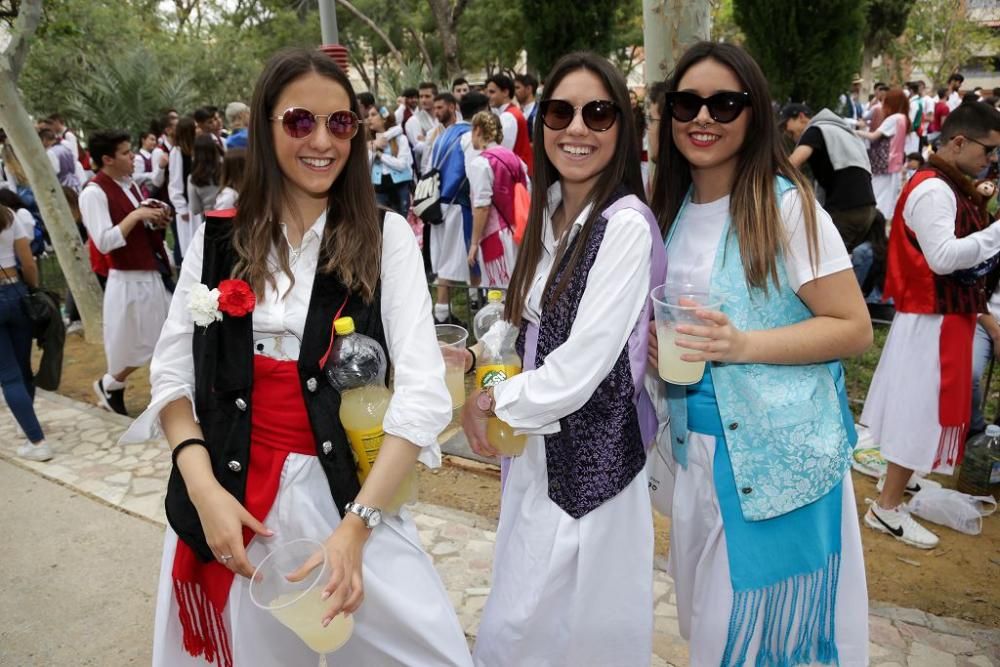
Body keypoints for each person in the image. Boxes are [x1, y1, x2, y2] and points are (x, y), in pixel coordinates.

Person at [121, 47, 472, 667]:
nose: (322, 141)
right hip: (231, 496)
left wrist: (357, 527)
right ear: (266, 126)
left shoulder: (385, 236)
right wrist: (205, 494)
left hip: (346, 494)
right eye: (299, 121)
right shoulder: (218, 237)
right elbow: (172, 377)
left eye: (340, 123)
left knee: (431, 653)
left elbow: (421, 391)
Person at [649, 41, 872, 664]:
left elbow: (854, 326)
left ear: (755, 114)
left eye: (725, 103)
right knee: (705, 626)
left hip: (779, 463)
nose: (703, 117)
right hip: (699, 457)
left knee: (747, 640)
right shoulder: (667, 209)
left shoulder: (787, 208)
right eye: (687, 103)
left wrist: (742, 343)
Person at [462, 51, 664, 667]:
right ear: (540, 121)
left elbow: (582, 368)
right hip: (538, 463)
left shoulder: (624, 225)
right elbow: (528, 321)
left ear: (621, 128)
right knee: (520, 625)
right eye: (560, 111)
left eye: (597, 113)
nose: (577, 128)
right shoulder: (548, 213)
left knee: (574, 637)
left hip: (594, 476)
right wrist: (475, 351)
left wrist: (493, 400)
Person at [861, 102, 1000, 549]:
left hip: (942, 319)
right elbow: (942, 257)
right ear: (959, 141)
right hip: (932, 322)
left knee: (921, 409)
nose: (990, 160)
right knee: (919, 412)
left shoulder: (947, 184)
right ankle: (887, 507)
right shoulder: (933, 190)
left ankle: (901, 485)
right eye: (987, 150)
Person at [81, 130, 173, 416]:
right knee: (141, 343)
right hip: (128, 278)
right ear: (107, 159)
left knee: (165, 339)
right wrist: (135, 216)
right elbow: (104, 241)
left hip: (151, 271)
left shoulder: (129, 184)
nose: (132, 156)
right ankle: (112, 383)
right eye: (124, 153)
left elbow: (138, 227)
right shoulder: (94, 193)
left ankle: (114, 386)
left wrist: (154, 216)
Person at [781, 103, 877, 252]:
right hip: (868, 209)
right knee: (847, 260)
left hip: (845, 210)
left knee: (826, 260)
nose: (787, 133)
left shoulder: (815, 130)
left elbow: (793, 164)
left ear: (801, 117)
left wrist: (767, 176)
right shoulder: (842, 131)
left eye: (787, 125)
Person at [0, 204, 52, 461]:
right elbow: (28, 263)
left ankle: (37, 441)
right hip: (16, 291)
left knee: (9, 377)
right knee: (22, 369)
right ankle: (26, 421)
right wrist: (32, 289)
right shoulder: (8, 215)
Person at [466, 111, 527, 287]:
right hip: (519, 229)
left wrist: (474, 243)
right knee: (520, 285)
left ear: (477, 130)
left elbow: (482, 206)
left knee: (500, 290)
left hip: (497, 234)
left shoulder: (481, 164)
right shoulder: (515, 158)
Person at [857, 87, 909, 220]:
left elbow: (874, 136)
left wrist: (855, 132)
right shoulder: (903, 118)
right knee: (889, 197)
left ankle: (874, 223)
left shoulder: (893, 119)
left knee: (877, 194)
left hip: (883, 162)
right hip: (895, 162)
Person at [366, 106, 413, 217]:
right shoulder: (369, 140)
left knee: (402, 222)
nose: (369, 119)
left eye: (373, 115)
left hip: (400, 186)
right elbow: (365, 165)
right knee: (381, 223)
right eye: (368, 115)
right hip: (378, 187)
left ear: (384, 119)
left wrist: (380, 155)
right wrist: (375, 146)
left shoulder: (400, 138)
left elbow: (402, 165)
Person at [485, 73, 534, 174]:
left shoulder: (508, 117)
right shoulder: (511, 113)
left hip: (517, 174)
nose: (488, 96)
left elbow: (502, 153)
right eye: (487, 92)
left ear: (505, 92)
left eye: (492, 92)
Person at [168, 116, 197, 259]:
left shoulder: (198, 149)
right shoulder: (177, 152)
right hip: (188, 208)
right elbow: (175, 183)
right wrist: (181, 207)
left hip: (201, 205)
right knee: (191, 245)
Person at [187, 133, 224, 233]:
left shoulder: (193, 178)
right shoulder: (225, 170)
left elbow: (195, 209)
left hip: (210, 219)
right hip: (230, 215)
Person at [405, 82, 439, 171]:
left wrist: (427, 139)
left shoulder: (441, 117)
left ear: (436, 97)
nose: (423, 100)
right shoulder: (413, 121)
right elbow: (419, 148)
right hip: (425, 170)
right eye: (421, 96)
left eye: (427, 96)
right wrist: (437, 139)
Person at [39, 127, 81, 191]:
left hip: (64, 187)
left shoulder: (50, 152)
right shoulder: (65, 147)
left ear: (44, 140)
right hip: (75, 183)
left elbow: (54, 171)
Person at [133, 131, 160, 196]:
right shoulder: (138, 158)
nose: (154, 142)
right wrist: (154, 174)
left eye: (155, 140)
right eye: (152, 139)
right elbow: (136, 178)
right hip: (145, 194)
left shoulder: (153, 155)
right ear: (143, 140)